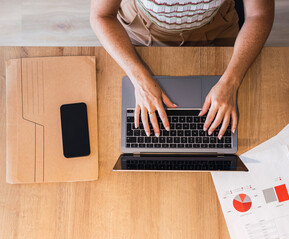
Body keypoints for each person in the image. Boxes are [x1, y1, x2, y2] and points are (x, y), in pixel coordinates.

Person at [90, 0, 274, 139]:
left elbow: (260, 15)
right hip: (142, 30)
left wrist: (231, 82)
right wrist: (139, 80)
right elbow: (101, 15)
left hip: (216, 30)